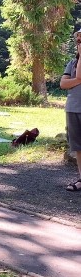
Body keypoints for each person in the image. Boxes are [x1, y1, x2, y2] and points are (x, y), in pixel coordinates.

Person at [61, 32, 81, 192]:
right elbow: (63, 84)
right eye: (78, 40)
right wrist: (77, 81)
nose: (79, 42)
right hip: (73, 108)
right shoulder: (72, 62)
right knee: (78, 147)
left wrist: (74, 80)